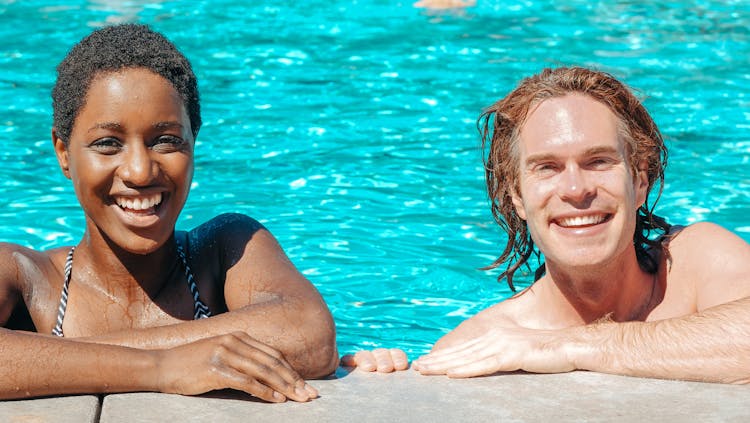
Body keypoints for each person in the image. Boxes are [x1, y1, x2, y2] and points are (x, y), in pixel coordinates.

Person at [344, 66, 750, 383]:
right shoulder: (490, 342)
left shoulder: (695, 262)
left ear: (639, 179)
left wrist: (572, 346)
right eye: (548, 168)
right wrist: (371, 376)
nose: (575, 189)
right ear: (517, 196)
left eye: (599, 161)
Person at [0, 23, 338, 402]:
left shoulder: (225, 249)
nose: (140, 172)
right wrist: (163, 366)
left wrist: (52, 358)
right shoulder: (25, 276)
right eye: (108, 144)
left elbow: (309, 334)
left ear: (194, 142)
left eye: (166, 141)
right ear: (64, 153)